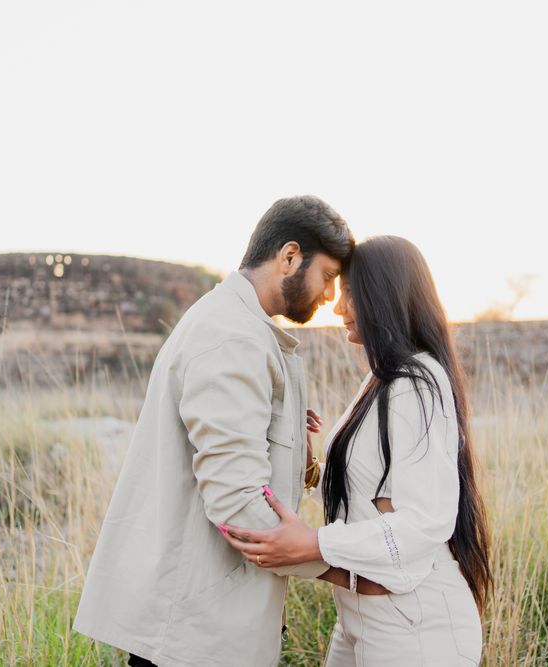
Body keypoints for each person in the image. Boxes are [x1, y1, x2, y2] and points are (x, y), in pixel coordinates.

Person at [73, 196, 355, 667]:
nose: (330, 296)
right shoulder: (232, 337)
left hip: (200, 626)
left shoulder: (237, 325)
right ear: (289, 257)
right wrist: (338, 566)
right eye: (327, 276)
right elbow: (236, 502)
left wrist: (299, 458)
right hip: (193, 634)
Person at [221, 235, 493, 666]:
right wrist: (309, 464)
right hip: (360, 615)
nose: (338, 306)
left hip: (415, 625)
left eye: (349, 293)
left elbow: (424, 522)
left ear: (382, 296)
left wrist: (314, 544)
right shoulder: (382, 378)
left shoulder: (417, 383)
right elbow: (367, 490)